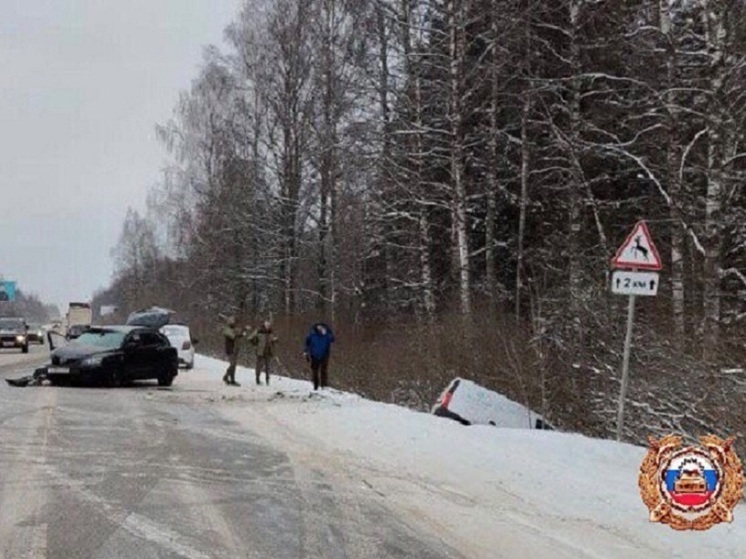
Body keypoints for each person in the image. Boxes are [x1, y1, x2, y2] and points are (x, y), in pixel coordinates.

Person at [304, 322, 335, 390]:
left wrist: (329, 331)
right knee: (315, 371)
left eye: (322, 328)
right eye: (319, 328)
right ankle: (316, 385)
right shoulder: (311, 335)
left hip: (324, 355)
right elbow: (307, 343)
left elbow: (333, 339)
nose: (321, 329)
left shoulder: (327, 335)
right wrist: (306, 352)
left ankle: (323, 385)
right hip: (314, 355)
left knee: (323, 370)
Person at [249, 320, 278, 385]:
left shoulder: (271, 332)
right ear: (264, 324)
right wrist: (255, 345)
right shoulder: (259, 331)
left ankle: (267, 380)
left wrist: (275, 341)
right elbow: (250, 338)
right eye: (266, 324)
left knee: (268, 367)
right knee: (259, 366)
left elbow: (272, 341)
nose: (267, 326)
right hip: (260, 352)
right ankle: (257, 379)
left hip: (268, 352)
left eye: (269, 325)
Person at [222, 316, 247, 386]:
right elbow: (233, 336)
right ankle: (228, 377)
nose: (233, 322)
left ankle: (230, 378)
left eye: (234, 321)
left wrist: (244, 330)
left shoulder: (233, 329)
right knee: (232, 364)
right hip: (230, 349)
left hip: (235, 349)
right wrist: (241, 334)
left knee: (233, 364)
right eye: (232, 321)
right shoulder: (226, 329)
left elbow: (238, 333)